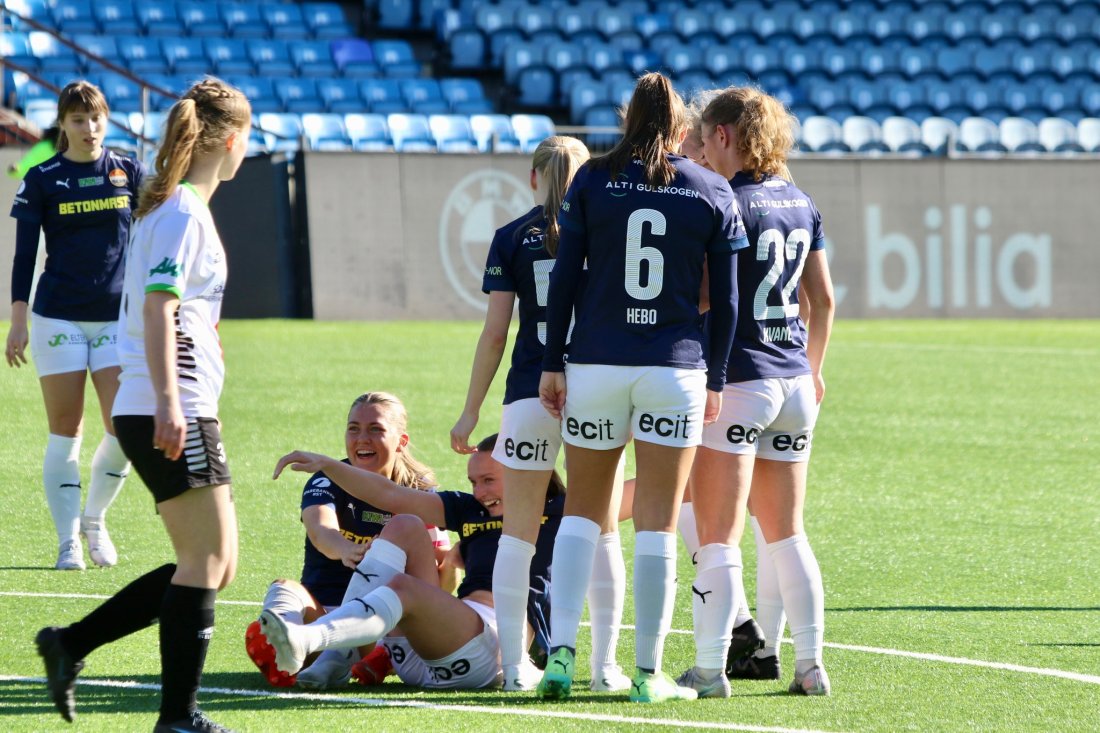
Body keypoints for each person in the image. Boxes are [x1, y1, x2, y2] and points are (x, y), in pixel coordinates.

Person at [34, 78, 252, 733]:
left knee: (217, 560)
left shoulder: (175, 206)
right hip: (169, 401)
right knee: (206, 561)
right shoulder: (183, 210)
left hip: (172, 399)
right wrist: (168, 403)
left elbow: (174, 310)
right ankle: (177, 717)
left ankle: (71, 643)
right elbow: (159, 309)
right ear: (234, 140)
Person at [536, 72, 748, 703]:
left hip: (596, 363)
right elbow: (730, 303)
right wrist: (717, 377)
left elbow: (565, 279)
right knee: (655, 526)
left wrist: (553, 362)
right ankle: (649, 673)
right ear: (683, 128)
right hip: (674, 369)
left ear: (625, 120)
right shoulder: (711, 187)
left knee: (582, 514)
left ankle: (560, 659)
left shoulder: (591, 180)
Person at [449, 136, 631, 693]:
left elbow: (495, 333)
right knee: (601, 532)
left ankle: (514, 668)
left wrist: (470, 412)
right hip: (594, 388)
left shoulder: (510, 238)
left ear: (533, 179)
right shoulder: (607, 229)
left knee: (517, 536)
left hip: (529, 392)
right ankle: (603, 666)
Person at [682, 85, 836, 697]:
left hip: (741, 380)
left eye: (706, 135)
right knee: (787, 532)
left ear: (723, 135)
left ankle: (710, 668)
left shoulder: (724, 201)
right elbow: (821, 300)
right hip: (795, 379)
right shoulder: (801, 198)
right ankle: (811, 665)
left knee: (717, 535)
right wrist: (815, 367)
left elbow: (703, 297)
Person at [260, 433, 563, 691]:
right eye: (473, 482)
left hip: (490, 651)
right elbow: (390, 494)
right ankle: (340, 653)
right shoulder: (470, 508)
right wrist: (328, 465)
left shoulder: (558, 511)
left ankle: (310, 639)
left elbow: (608, 505)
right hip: (422, 654)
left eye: (488, 481)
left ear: (525, 474)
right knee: (405, 524)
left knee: (403, 587)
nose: (479, 493)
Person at [7, 83, 143, 570]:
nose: (90, 128)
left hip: (115, 319)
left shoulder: (129, 170)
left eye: (97, 118)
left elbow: (151, 241)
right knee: (66, 430)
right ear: (62, 124)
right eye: (79, 119)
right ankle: (67, 541)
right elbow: (24, 256)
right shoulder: (41, 176)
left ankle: (94, 520)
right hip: (57, 315)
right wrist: (17, 320)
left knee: (125, 428)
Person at [245, 391, 453, 689]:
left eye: (375, 429)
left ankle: (367, 657)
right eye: (353, 428)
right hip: (323, 616)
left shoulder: (419, 492)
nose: (361, 438)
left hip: (383, 625)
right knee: (284, 588)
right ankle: (282, 646)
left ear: (401, 441)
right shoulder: (326, 479)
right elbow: (321, 530)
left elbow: (443, 568)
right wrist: (348, 550)